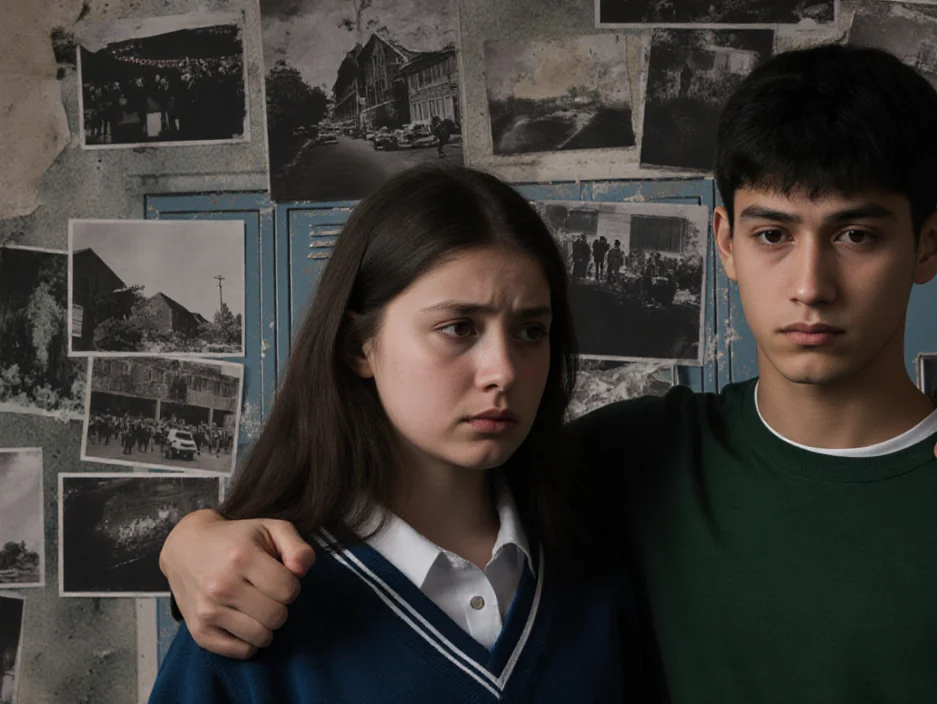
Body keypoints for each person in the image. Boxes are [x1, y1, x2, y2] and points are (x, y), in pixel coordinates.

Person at [157, 46, 937, 701]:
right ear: (724, 242)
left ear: (932, 244)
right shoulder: (633, 464)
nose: (811, 285)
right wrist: (188, 538)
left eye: (857, 234)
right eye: (773, 233)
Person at [149, 167, 649, 702]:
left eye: (532, 331)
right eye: (459, 327)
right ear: (357, 346)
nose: (503, 370)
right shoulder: (253, 606)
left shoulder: (597, 576)